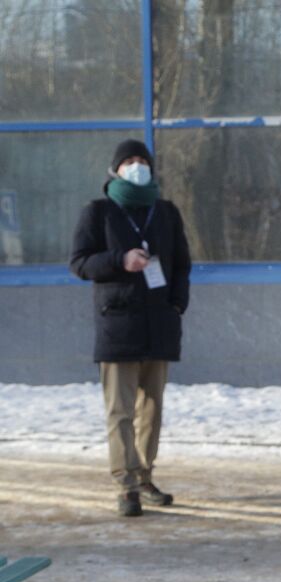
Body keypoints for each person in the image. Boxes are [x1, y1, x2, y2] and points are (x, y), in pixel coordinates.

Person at [70, 139, 191, 517]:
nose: (137, 166)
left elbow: (181, 265)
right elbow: (80, 263)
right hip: (118, 325)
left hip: (159, 325)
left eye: (142, 161)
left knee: (152, 409)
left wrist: (176, 304)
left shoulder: (166, 212)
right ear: (115, 169)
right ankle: (125, 486)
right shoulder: (99, 212)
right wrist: (120, 260)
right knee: (120, 411)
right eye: (130, 161)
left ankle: (145, 476)